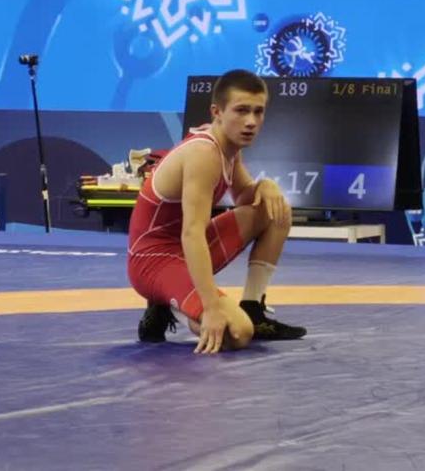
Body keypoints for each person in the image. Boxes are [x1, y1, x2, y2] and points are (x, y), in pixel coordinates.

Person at [128, 69, 305, 353]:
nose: (251, 122)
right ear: (217, 112)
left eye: (258, 112)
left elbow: (245, 196)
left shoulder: (229, 145)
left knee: (274, 209)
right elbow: (192, 233)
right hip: (153, 260)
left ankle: (253, 309)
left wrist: (266, 185)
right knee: (238, 332)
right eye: (241, 111)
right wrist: (210, 308)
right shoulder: (204, 154)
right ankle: (167, 304)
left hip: (181, 250)